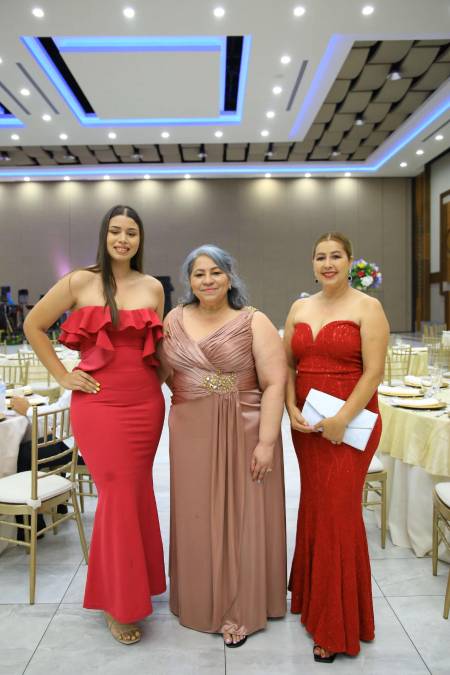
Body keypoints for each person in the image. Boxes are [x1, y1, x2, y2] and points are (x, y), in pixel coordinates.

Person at [24, 205, 166, 645]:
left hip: (146, 403)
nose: (123, 239)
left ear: (140, 240)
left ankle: (137, 586)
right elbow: (33, 325)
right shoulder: (80, 282)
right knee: (118, 495)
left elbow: (160, 351)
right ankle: (118, 604)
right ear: (104, 235)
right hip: (99, 403)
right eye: (116, 231)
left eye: (131, 233)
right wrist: (62, 376)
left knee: (136, 493)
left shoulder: (153, 287)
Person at [161, 244, 287, 647]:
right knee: (196, 513)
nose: (208, 280)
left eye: (215, 272)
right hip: (190, 432)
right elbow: (163, 372)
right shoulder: (174, 319)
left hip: (245, 429)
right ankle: (198, 599)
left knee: (242, 515)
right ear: (189, 280)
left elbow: (275, 384)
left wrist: (266, 442)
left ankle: (241, 607)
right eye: (199, 274)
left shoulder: (253, 321)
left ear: (230, 277)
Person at [284, 232, 389, 663]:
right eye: (320, 257)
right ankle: (311, 598)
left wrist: (342, 419)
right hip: (307, 425)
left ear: (350, 262)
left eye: (336, 256)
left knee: (338, 514)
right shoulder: (299, 308)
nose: (328, 264)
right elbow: (288, 364)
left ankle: (336, 623)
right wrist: (290, 408)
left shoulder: (368, 307)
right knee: (315, 506)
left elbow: (374, 372)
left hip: (352, 424)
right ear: (313, 264)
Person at [11, 389, 82, 537]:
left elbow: (59, 414)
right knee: (36, 446)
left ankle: (31, 527)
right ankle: (60, 505)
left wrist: (28, 409)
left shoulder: (81, 380)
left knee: (23, 455)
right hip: (77, 439)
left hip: (78, 445)